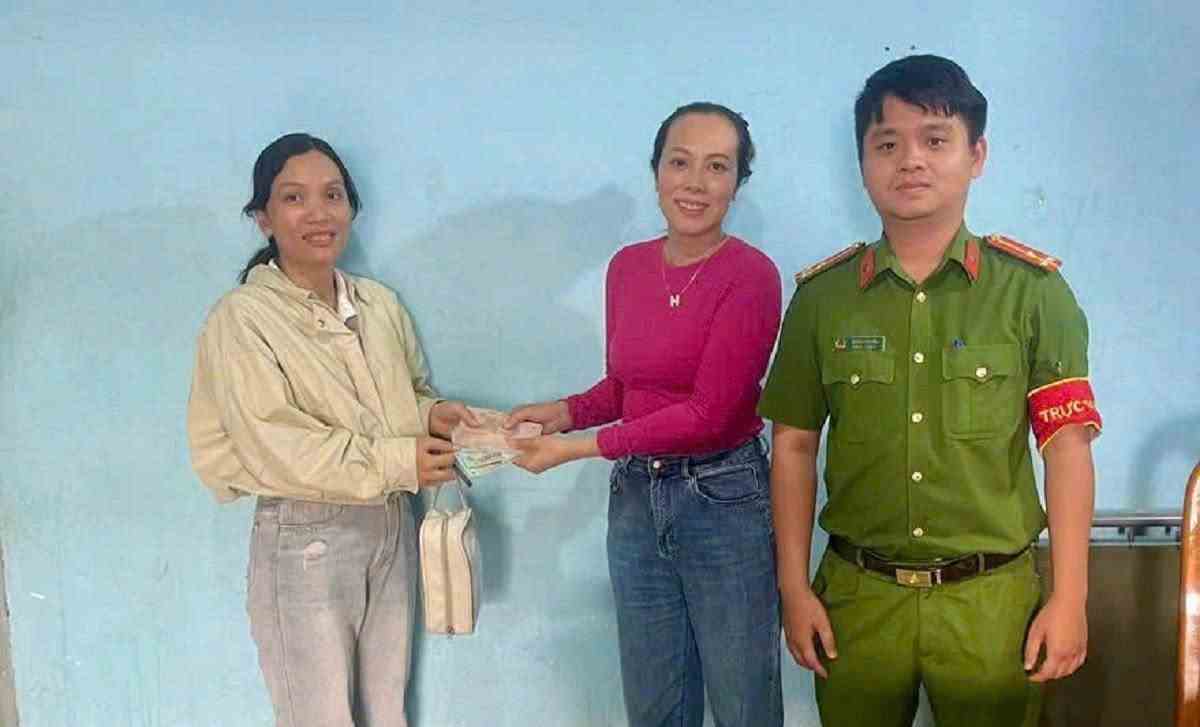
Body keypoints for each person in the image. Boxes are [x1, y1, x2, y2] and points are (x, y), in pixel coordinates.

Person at [759, 55, 1102, 726]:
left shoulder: (1034, 293)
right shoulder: (823, 300)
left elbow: (1067, 449)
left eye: (935, 139)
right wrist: (793, 588)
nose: (910, 160)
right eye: (887, 144)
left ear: (977, 156)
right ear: (863, 162)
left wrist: (1070, 598)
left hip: (991, 605)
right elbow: (794, 446)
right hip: (858, 600)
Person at [186, 132, 478, 727]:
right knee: (319, 717)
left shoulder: (378, 305)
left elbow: (402, 396)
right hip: (307, 535)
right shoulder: (243, 319)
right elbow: (275, 447)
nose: (318, 213)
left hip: (392, 520)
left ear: (351, 209)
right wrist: (400, 460)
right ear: (263, 218)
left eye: (333, 195)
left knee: (386, 713)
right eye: (294, 198)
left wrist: (433, 414)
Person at [506, 102, 783, 727]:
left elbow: (710, 414)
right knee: (655, 704)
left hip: (723, 499)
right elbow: (625, 388)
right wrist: (561, 414)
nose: (695, 183)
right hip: (634, 498)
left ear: (738, 182)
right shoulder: (628, 267)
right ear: (656, 170)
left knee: (743, 704)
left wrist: (577, 449)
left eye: (717, 167)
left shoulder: (751, 276)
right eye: (680, 162)